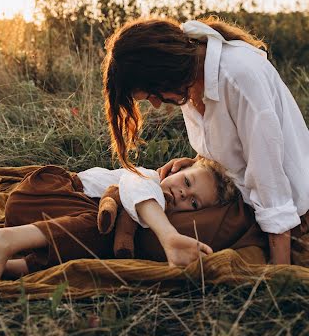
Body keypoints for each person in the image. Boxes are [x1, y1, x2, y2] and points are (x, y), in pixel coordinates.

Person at [102, 16, 309, 265]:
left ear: (163, 70)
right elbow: (233, 147)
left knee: (150, 237)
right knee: (149, 212)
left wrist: (280, 273)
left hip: (284, 212)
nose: (156, 104)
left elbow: (271, 183)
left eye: (152, 94)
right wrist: (199, 163)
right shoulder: (190, 84)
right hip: (235, 192)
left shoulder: (238, 78)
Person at [0, 157, 238, 280]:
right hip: (50, 191)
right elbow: (136, 187)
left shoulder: (163, 203)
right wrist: (168, 234)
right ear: (177, 167)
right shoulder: (148, 177)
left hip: (47, 213)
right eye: (187, 181)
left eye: (193, 202)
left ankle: (12, 265)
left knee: (97, 251)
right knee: (101, 231)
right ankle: (1, 239)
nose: (182, 193)